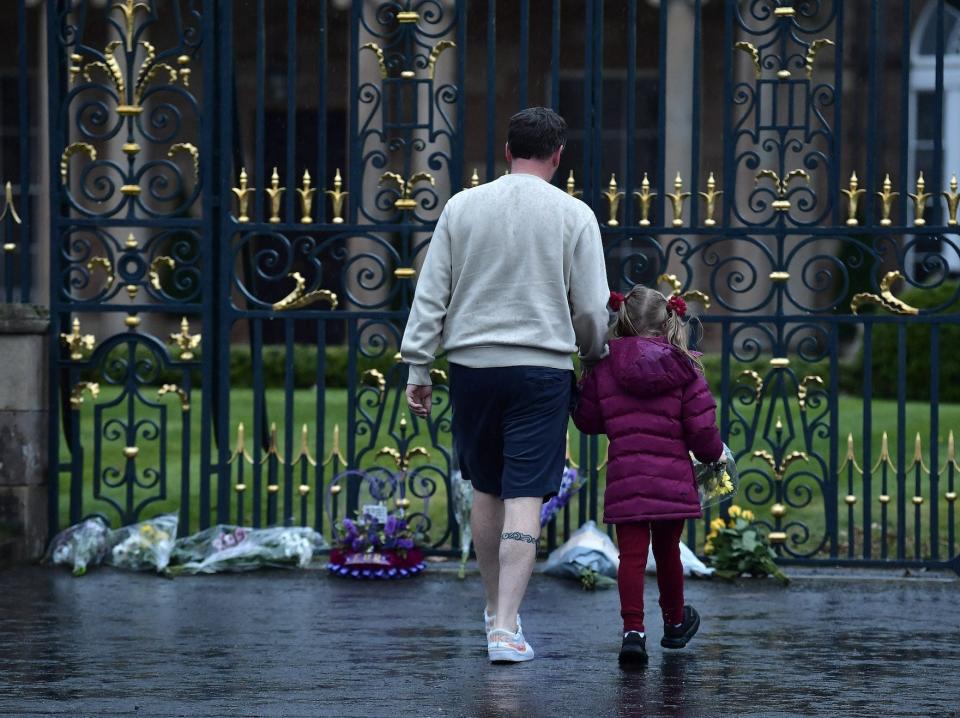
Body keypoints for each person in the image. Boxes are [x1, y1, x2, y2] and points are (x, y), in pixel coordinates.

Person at [401, 107, 610, 663]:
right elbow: (591, 307)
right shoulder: (574, 214)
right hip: (542, 369)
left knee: (487, 488)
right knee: (524, 495)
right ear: (559, 155)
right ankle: (506, 628)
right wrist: (592, 354)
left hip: (473, 367)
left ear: (507, 149)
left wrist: (418, 364)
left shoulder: (462, 207)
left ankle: (496, 610)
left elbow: (432, 292)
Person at [572, 285, 723, 665]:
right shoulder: (685, 367)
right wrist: (714, 455)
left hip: (628, 480)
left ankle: (633, 632)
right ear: (668, 320)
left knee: (632, 557)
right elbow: (702, 433)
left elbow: (588, 420)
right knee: (668, 551)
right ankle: (674, 624)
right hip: (671, 481)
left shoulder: (604, 368)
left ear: (622, 319)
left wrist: (583, 382)